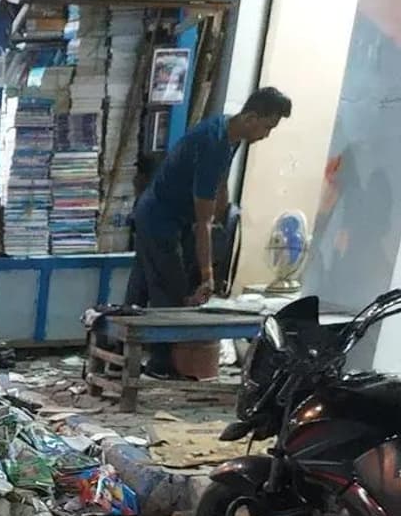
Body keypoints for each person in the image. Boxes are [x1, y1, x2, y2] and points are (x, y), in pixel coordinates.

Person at [125, 86, 292, 378]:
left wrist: (224, 216)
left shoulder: (231, 135)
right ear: (251, 117)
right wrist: (208, 276)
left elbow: (220, 183)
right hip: (159, 217)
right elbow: (201, 222)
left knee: (142, 285)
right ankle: (160, 366)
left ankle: (118, 356)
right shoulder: (213, 144)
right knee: (170, 291)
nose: (267, 135)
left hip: (168, 214)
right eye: (267, 127)